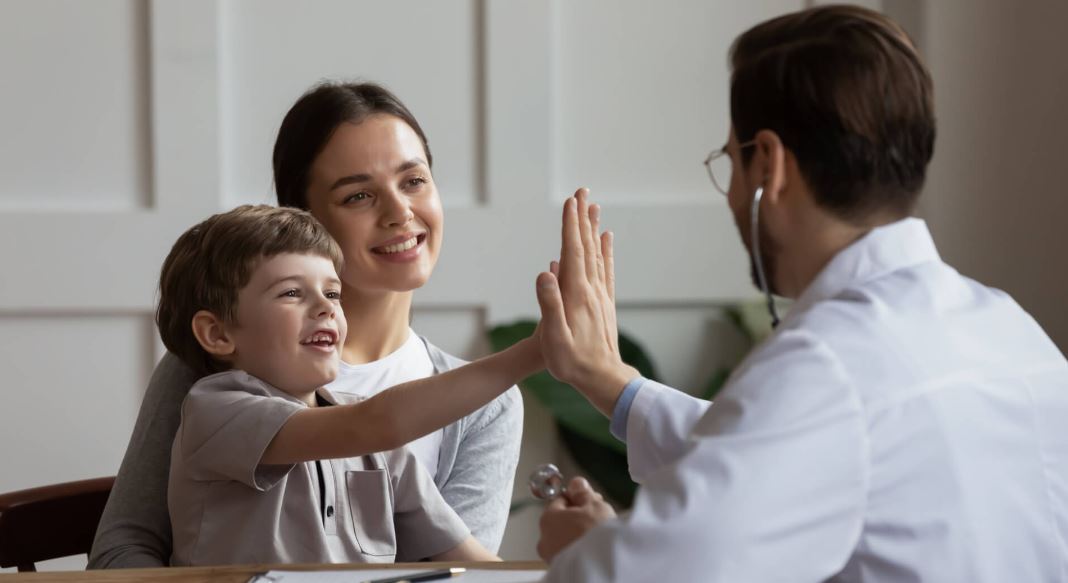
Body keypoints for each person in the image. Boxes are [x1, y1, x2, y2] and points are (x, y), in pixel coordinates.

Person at [532, 6, 1068, 582]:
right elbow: (788, 457)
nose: (732, 194)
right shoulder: (1009, 328)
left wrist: (585, 549)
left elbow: (644, 575)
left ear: (769, 163)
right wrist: (606, 379)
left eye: (730, 161)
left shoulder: (828, 364)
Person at [89, 82, 523, 568]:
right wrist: (539, 351)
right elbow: (121, 552)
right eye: (358, 195)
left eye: (414, 181)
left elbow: (466, 574)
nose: (400, 212)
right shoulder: (213, 370)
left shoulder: (487, 407)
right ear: (303, 217)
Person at [157, 205, 537, 565]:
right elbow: (376, 423)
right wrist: (536, 353)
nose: (326, 308)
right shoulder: (216, 412)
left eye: (333, 293)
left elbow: (473, 563)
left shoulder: (378, 449)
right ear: (217, 334)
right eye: (292, 292)